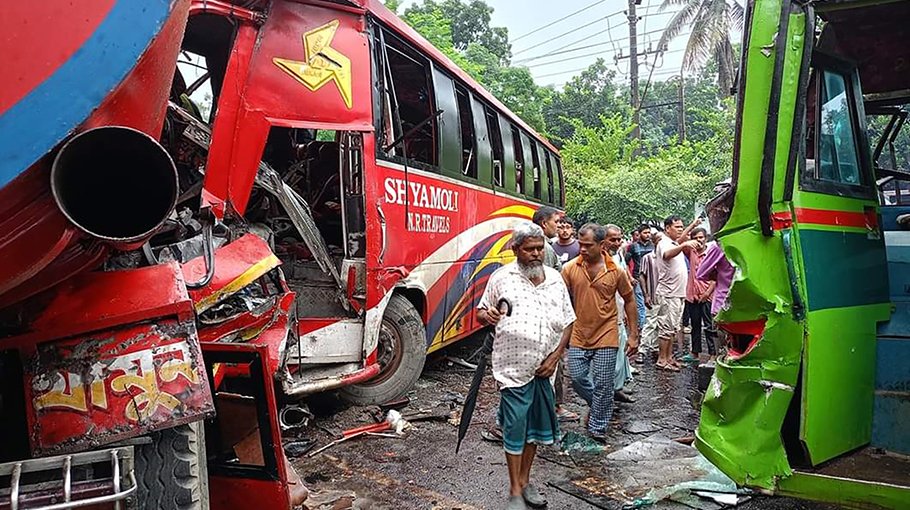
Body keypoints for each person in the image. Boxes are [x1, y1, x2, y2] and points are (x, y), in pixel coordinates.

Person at [477, 223, 576, 510]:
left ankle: (525, 481)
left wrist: (555, 356)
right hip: (512, 369)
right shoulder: (501, 277)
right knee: (515, 427)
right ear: (516, 250)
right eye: (529, 249)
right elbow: (482, 312)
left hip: (545, 369)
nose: (536, 254)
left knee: (533, 430)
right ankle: (514, 491)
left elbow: (568, 320)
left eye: (539, 248)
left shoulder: (556, 279)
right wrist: (489, 316)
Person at [562, 223, 639, 441]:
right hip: (578, 333)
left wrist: (634, 335)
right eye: (581, 244)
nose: (582, 249)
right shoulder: (569, 268)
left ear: (602, 245)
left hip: (607, 333)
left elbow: (630, 299)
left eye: (588, 245)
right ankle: (600, 404)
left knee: (604, 382)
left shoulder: (616, 271)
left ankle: (598, 427)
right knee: (577, 378)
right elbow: (558, 297)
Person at [531, 206, 577, 422]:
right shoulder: (545, 249)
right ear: (544, 224)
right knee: (553, 360)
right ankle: (554, 407)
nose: (559, 227)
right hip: (549, 316)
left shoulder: (540, 245)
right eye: (556, 223)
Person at [654, 215, 701, 371]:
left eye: (682, 227)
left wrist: (693, 225)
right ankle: (662, 359)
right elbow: (667, 254)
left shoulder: (673, 242)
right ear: (667, 228)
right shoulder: (663, 243)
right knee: (666, 329)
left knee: (673, 328)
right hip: (668, 293)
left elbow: (680, 241)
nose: (681, 230)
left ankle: (669, 357)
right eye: (678, 227)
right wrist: (684, 244)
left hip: (678, 293)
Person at [605, 224, 635, 403]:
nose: (617, 243)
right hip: (606, 315)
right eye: (612, 239)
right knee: (610, 356)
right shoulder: (599, 260)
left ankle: (617, 389)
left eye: (619, 239)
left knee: (621, 352)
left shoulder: (618, 255)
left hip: (619, 309)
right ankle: (606, 395)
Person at [682, 228, 716, 362]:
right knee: (694, 325)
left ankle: (713, 354)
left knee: (709, 326)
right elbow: (680, 240)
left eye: (701, 237)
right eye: (695, 238)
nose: (698, 240)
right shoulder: (691, 252)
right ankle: (695, 353)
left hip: (707, 295)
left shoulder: (711, 253)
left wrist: (707, 293)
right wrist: (692, 226)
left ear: (706, 238)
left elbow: (716, 276)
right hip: (692, 295)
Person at [626, 224, 655, 340]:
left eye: (649, 232)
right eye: (645, 233)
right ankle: (642, 328)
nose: (647, 235)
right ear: (639, 233)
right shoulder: (633, 247)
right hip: (638, 278)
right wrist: (630, 277)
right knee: (641, 304)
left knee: (652, 303)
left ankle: (649, 328)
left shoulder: (653, 246)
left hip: (652, 278)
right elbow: (625, 263)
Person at [638, 229, 662, 362]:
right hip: (652, 295)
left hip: (666, 296)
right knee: (650, 324)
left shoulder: (668, 257)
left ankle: (655, 348)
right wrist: (646, 294)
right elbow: (642, 276)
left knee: (662, 324)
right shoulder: (648, 258)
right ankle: (642, 350)